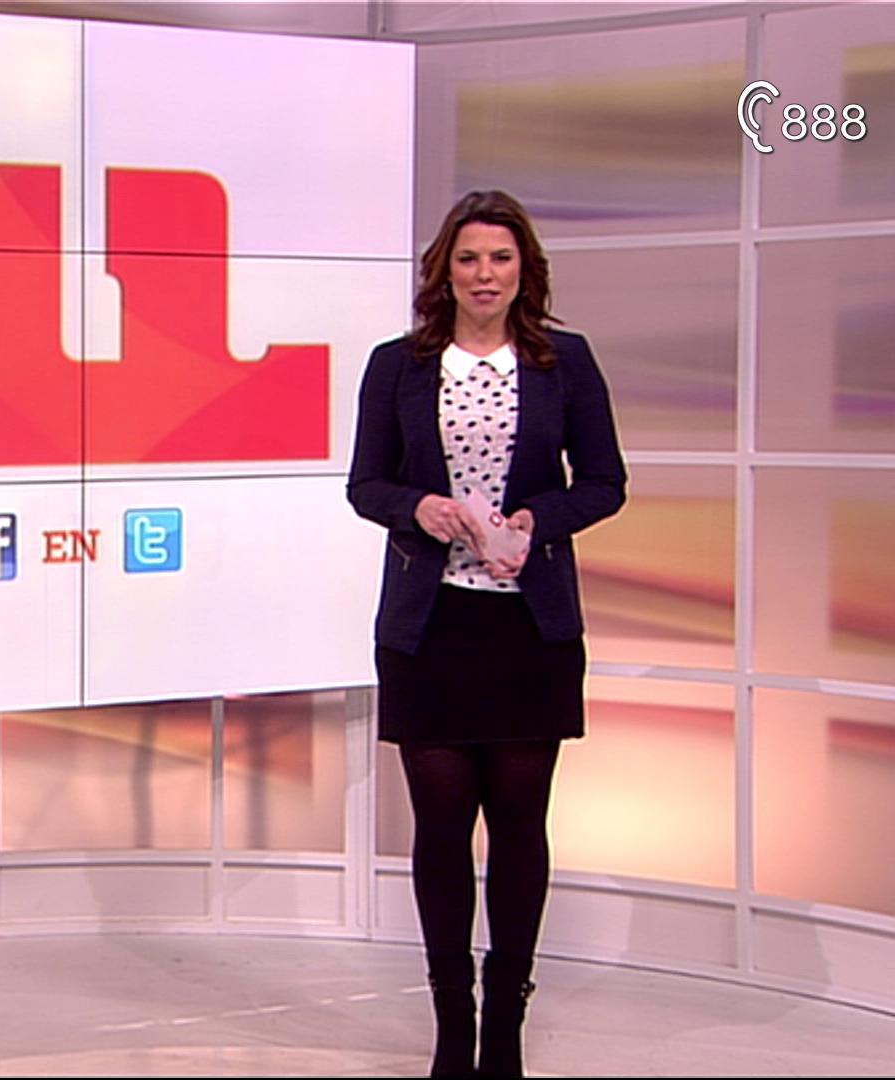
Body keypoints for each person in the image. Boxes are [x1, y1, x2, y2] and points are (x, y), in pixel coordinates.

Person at [346, 189, 626, 1077]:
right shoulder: (398, 365)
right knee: (440, 827)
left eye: (500, 258)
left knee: (518, 822)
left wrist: (539, 519)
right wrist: (418, 508)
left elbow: (605, 482)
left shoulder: (563, 362)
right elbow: (365, 485)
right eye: (468, 258)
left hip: (528, 628)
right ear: (445, 271)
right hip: (429, 628)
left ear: (523, 270)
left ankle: (504, 1025)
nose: (484, 274)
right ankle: (451, 1024)